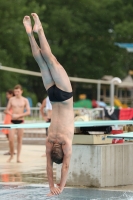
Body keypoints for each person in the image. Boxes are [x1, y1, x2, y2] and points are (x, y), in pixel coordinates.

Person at [23, 13, 74, 196]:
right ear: (53, 151)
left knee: (51, 59)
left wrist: (61, 186)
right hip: (53, 95)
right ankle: (30, 33)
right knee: (42, 63)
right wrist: (51, 186)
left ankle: (40, 30)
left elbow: (65, 165)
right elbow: (48, 165)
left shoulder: (66, 142)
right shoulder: (49, 141)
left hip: (65, 96)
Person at [5, 84, 30, 163]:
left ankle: (18, 158)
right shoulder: (11, 99)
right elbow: (6, 110)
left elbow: (28, 112)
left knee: (19, 139)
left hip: (21, 121)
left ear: (21, 91)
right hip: (13, 121)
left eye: (18, 91)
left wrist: (19, 115)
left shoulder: (25, 100)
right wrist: (11, 114)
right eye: (15, 91)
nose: (16, 93)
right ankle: (12, 155)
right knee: (11, 140)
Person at [2, 89, 14, 155]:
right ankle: (11, 150)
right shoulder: (10, 101)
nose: (7, 96)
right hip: (7, 118)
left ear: (11, 94)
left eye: (8, 94)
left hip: (10, 117)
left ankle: (12, 150)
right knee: (8, 135)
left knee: (10, 136)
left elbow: (7, 110)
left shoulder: (12, 101)